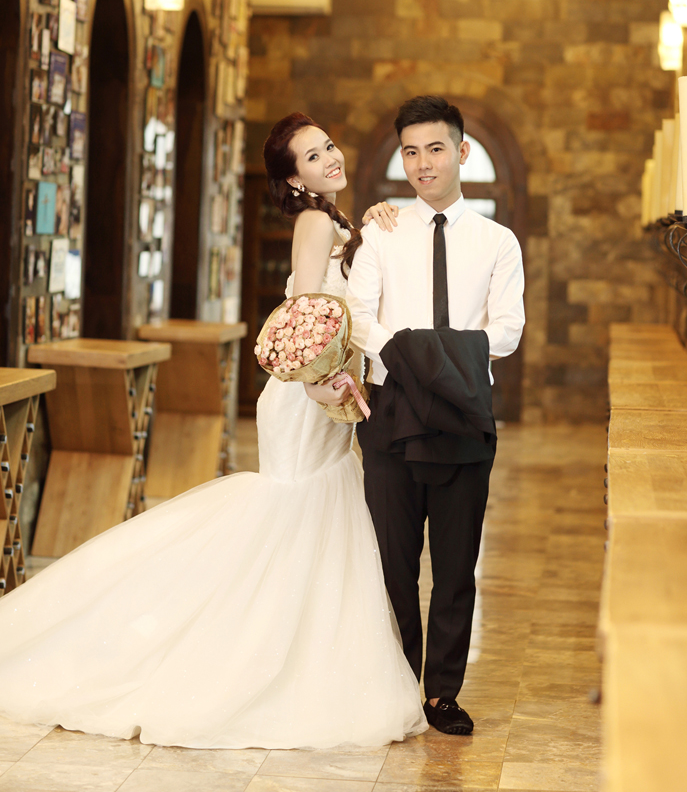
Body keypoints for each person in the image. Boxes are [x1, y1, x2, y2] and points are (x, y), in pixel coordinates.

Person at [0, 112, 426, 750]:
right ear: (294, 179)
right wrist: (317, 382)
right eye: (312, 157)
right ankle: (249, 660)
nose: (330, 158)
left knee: (312, 517)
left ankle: (299, 657)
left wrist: (375, 219)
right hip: (306, 394)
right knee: (292, 516)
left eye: (329, 147)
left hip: (324, 391)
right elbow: (302, 313)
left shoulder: (334, 218)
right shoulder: (314, 223)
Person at [347, 95, 525, 736]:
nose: (423, 163)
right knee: (392, 563)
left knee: (455, 566)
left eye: (436, 149)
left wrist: (431, 356)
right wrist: (419, 357)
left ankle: (442, 694)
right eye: (411, 152)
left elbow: (507, 331)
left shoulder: (498, 241)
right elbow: (357, 317)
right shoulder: (381, 232)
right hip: (392, 408)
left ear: (462, 152)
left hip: (464, 410)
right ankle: (397, 687)